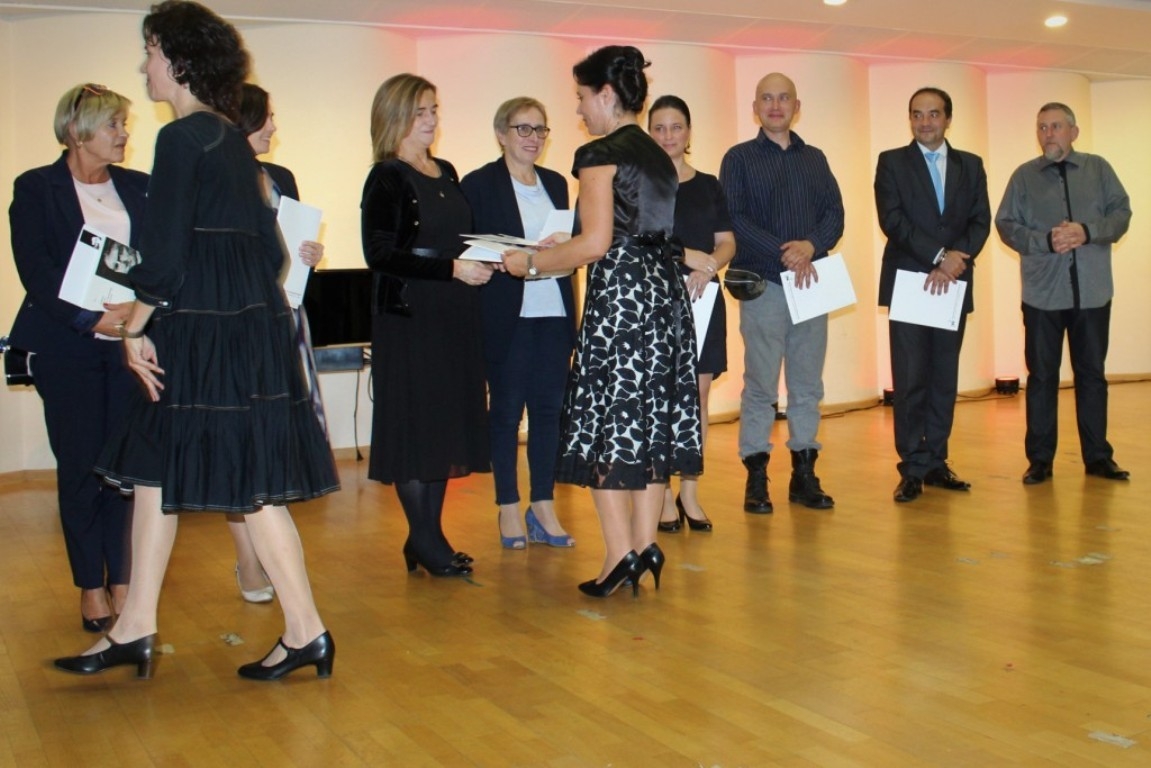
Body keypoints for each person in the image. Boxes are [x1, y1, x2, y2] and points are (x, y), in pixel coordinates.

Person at [54, 0, 339, 682]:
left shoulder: (183, 138)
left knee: (247, 485)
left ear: (179, 62)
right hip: (239, 331)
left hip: (205, 338)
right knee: (158, 471)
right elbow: (268, 253)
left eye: (150, 52)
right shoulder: (230, 142)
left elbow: (164, 257)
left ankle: (306, 630)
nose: (143, 66)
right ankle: (135, 626)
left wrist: (135, 328)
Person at [503, 45, 702, 598]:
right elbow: (631, 228)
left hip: (621, 301)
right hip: (662, 298)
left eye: (582, 97)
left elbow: (596, 244)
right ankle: (644, 544)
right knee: (650, 422)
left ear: (607, 94)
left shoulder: (598, 153)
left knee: (609, 425)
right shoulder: (658, 155)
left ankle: (619, 555)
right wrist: (564, 243)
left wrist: (531, 264)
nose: (579, 109)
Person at [8, 83, 147, 633]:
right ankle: (91, 584)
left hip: (130, 350)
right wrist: (90, 320)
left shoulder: (139, 187)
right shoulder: (36, 187)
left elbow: (159, 260)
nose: (124, 133)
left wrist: (138, 311)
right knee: (81, 466)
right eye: (113, 124)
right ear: (76, 131)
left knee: (124, 469)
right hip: (67, 348)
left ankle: (124, 581)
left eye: (123, 123)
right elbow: (36, 271)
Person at [361, 73, 493, 577]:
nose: (432, 119)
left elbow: (457, 240)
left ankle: (425, 538)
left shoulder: (446, 170)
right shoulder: (386, 177)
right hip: (411, 319)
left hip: (454, 313)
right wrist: (451, 269)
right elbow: (379, 254)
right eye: (421, 111)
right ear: (395, 115)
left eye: (434, 109)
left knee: (442, 428)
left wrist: (490, 256)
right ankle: (426, 539)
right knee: (417, 430)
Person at [719, 72, 842, 515]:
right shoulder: (738, 158)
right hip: (764, 284)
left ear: (796, 106)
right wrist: (785, 252)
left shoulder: (816, 158)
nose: (775, 106)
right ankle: (756, 478)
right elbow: (734, 218)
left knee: (808, 385)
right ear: (755, 108)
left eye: (783, 98)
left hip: (811, 284)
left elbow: (835, 214)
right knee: (760, 385)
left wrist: (811, 245)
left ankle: (804, 476)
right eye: (767, 99)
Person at [460, 97, 576, 550]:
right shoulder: (479, 184)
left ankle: (542, 504)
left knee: (550, 412)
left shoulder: (556, 183)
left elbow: (573, 248)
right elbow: (466, 248)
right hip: (507, 313)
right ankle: (508, 504)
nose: (533, 138)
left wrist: (564, 245)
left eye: (540, 129)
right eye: (523, 129)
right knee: (507, 413)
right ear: (501, 134)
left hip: (554, 311)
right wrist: (499, 256)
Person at [226, 82, 327, 603]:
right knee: (242, 444)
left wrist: (309, 254)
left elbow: (288, 243)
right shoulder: (217, 175)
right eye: (266, 117)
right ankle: (249, 560)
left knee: (272, 442)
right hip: (239, 323)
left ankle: (268, 556)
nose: (273, 126)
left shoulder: (281, 176)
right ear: (243, 119)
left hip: (284, 315)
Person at [996, 102, 1132, 484]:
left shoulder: (1098, 169)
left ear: (1073, 132)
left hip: (1092, 294)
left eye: (1056, 126)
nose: (1048, 133)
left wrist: (1087, 231)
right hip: (1042, 296)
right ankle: (1040, 460)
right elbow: (1005, 224)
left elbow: (1121, 214)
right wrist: (1044, 240)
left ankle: (1098, 457)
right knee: (1042, 378)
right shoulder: (1023, 177)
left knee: (1092, 376)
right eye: (1042, 127)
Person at [875, 87, 991, 503]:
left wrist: (955, 260)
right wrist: (940, 256)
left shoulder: (971, 165)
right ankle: (912, 466)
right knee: (909, 379)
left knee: (943, 378)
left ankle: (937, 461)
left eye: (933, 114)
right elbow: (893, 221)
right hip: (911, 282)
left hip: (953, 283)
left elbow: (980, 221)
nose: (924, 122)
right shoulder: (891, 162)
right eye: (917, 114)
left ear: (948, 119)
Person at [648, 94, 735, 533]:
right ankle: (662, 494)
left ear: (688, 132)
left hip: (703, 298)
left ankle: (690, 491)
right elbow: (637, 242)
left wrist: (709, 266)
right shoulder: (640, 185)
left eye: (676, 127)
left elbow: (727, 242)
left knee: (697, 398)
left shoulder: (709, 184)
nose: (668, 136)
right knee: (661, 399)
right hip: (656, 301)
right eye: (659, 128)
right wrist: (686, 256)